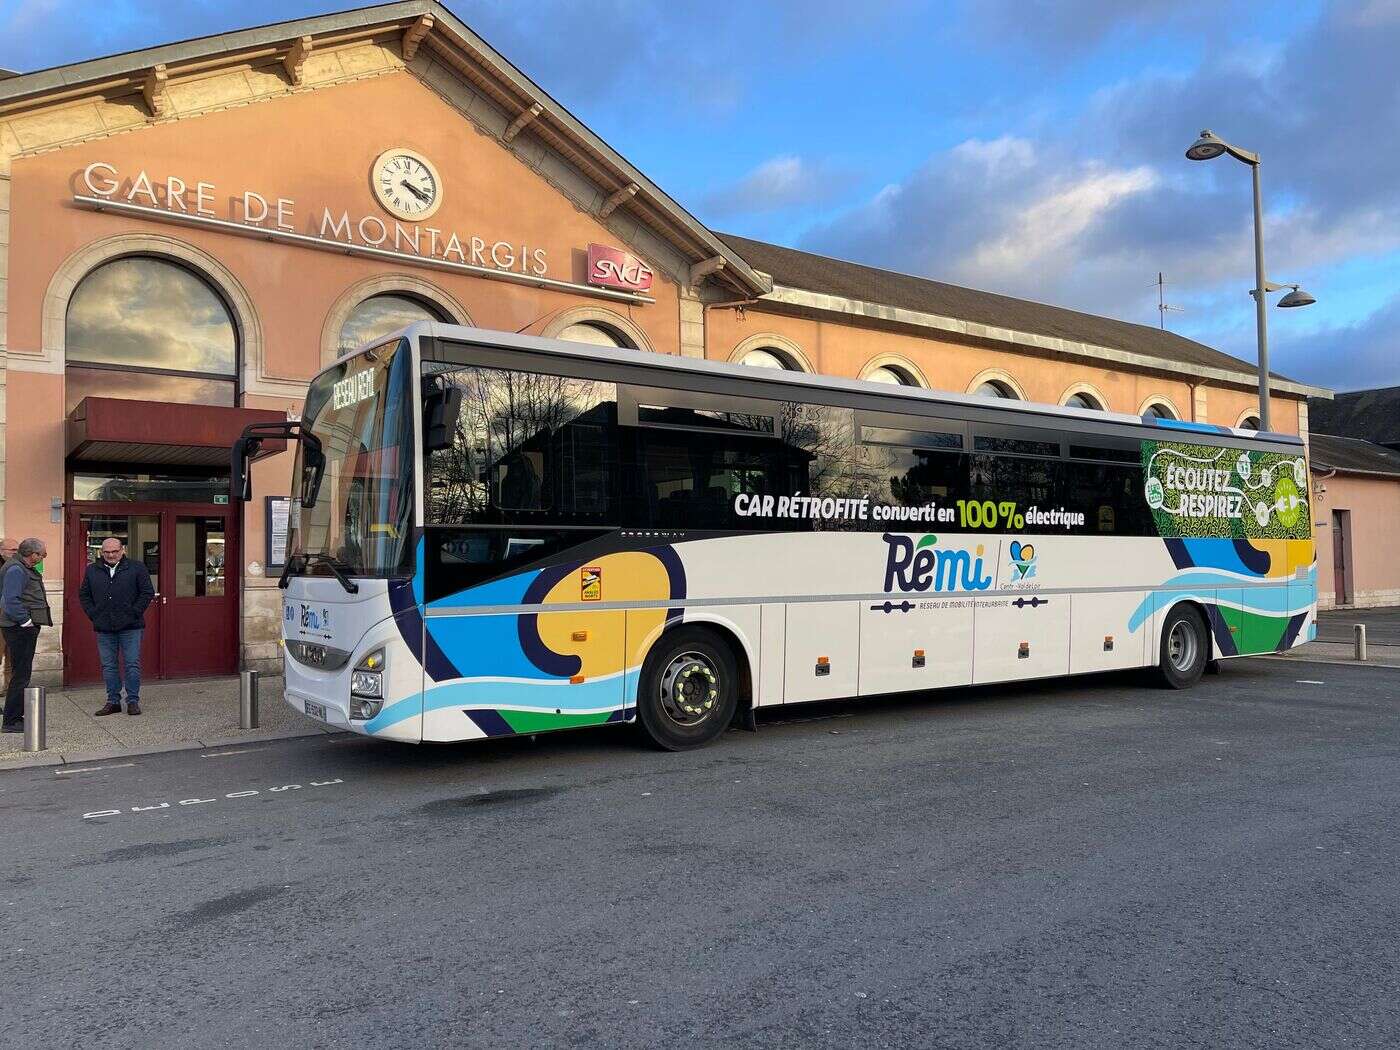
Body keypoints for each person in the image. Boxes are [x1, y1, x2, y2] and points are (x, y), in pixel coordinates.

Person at [79, 536, 155, 716]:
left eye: (114, 551)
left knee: (132, 664)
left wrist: (133, 612)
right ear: (101, 552)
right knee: (109, 666)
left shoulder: (136, 568)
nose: (111, 555)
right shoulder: (92, 570)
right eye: (106, 552)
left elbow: (147, 593)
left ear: (122, 550)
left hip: (131, 626)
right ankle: (113, 701)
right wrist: (94, 614)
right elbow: (84, 595)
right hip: (104, 627)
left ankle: (133, 701)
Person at [1, 538, 51, 733]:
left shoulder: (19, 566)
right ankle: (11, 721)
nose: (43, 558)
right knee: (21, 674)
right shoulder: (16, 569)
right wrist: (26, 621)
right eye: (43, 555)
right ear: (33, 555)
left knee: (21, 673)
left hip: (19, 627)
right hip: (19, 628)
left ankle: (14, 716)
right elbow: (10, 600)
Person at [0, 537, 16, 693]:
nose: (15, 552)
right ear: (1, 550)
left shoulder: (17, 565)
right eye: (12, 550)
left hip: (12, 615)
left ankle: (9, 689)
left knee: (12, 655)